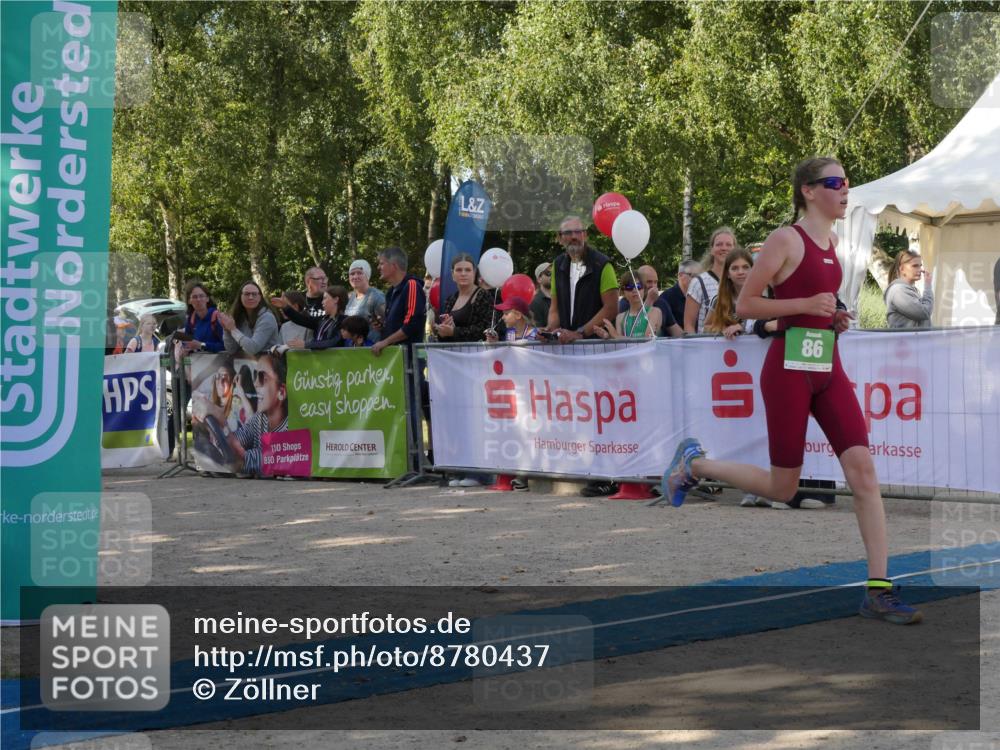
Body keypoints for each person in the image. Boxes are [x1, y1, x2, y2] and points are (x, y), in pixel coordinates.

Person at [662, 156, 921, 624]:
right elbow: (745, 305)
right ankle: (694, 463)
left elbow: (820, 304)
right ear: (807, 190)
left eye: (847, 183)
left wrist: (835, 315)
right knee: (784, 488)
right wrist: (807, 303)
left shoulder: (834, 240)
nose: (845, 190)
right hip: (787, 369)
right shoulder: (785, 239)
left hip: (826, 363)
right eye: (835, 182)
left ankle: (879, 589)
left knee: (863, 473)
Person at [545, 215, 619, 497]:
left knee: (600, 413)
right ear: (560, 238)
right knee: (577, 413)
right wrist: (551, 329)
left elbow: (610, 308)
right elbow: (554, 305)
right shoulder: (558, 264)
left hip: (595, 348)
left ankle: (607, 476)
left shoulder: (603, 264)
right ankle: (584, 467)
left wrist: (579, 332)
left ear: (586, 235)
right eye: (567, 234)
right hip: (568, 350)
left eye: (577, 232)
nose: (573, 237)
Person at [434, 254, 504, 343]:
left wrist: (454, 332)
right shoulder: (451, 299)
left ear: (474, 273)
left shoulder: (483, 295)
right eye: (459, 270)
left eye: (468, 270)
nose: (463, 273)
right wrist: (442, 331)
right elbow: (446, 337)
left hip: (477, 354)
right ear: (452, 274)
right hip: (453, 354)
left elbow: (487, 329)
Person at [684, 228, 738, 333]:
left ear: (734, 250)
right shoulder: (698, 282)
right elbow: (688, 325)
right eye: (719, 244)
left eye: (728, 245)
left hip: (739, 346)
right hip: (709, 346)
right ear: (712, 250)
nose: (724, 248)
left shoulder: (742, 281)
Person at [704, 248, 757, 340]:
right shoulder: (718, 300)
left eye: (745, 267)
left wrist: (742, 327)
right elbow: (707, 326)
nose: (741, 272)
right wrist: (723, 329)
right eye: (735, 268)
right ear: (727, 274)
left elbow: (771, 323)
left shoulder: (764, 298)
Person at [276, 286, 349, 350]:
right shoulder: (322, 320)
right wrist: (285, 307)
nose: (322, 302)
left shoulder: (345, 321)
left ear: (336, 300)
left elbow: (333, 342)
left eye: (325, 298)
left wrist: (306, 344)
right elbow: (301, 320)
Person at [596, 272, 663, 340]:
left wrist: (615, 335)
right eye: (629, 287)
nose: (634, 290)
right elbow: (620, 344)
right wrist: (608, 337)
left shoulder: (655, 312)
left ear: (644, 289)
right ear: (623, 292)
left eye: (638, 286)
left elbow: (646, 341)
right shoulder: (620, 318)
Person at [221, 281, 281, 356]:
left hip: (268, 364)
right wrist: (227, 330)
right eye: (247, 294)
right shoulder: (239, 317)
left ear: (260, 298)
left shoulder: (267, 317)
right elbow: (232, 350)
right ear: (240, 297)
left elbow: (252, 349)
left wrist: (233, 330)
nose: (251, 297)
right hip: (245, 364)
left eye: (254, 294)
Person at [884, 250, 934, 328]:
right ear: (902, 269)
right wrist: (928, 286)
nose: (920, 269)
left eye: (920, 266)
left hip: (914, 340)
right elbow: (924, 313)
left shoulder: (908, 289)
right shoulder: (898, 291)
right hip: (906, 340)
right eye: (915, 266)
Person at [345, 259, 386, 341]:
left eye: (359, 273)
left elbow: (387, 325)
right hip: (351, 349)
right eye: (352, 274)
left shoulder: (376, 297)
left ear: (367, 276)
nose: (355, 277)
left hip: (371, 348)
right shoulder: (349, 297)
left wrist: (381, 326)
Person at [180, 281, 225, 354]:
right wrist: (186, 349)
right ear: (189, 301)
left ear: (207, 299)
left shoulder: (217, 317)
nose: (198, 299)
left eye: (201, 296)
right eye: (194, 297)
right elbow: (186, 343)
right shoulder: (191, 320)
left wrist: (201, 345)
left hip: (218, 363)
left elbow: (226, 346)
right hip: (198, 363)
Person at [661, 260, 701, 330]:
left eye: (700, 276)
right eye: (694, 276)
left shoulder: (701, 296)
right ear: (680, 275)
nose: (698, 280)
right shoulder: (666, 298)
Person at [529, 262, 552, 328]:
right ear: (539, 279)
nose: (552, 276)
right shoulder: (534, 302)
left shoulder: (561, 298)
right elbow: (538, 331)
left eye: (554, 273)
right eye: (548, 273)